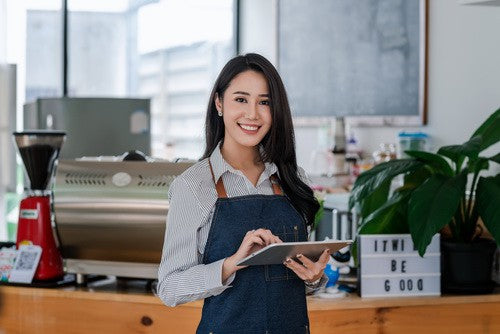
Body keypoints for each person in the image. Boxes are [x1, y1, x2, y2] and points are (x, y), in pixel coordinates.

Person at [157, 53, 330, 334]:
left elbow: (286, 287)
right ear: (219, 103)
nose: (252, 114)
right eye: (241, 99)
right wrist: (232, 264)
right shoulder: (192, 186)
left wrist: (312, 278)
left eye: (264, 102)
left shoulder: (292, 179)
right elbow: (169, 287)